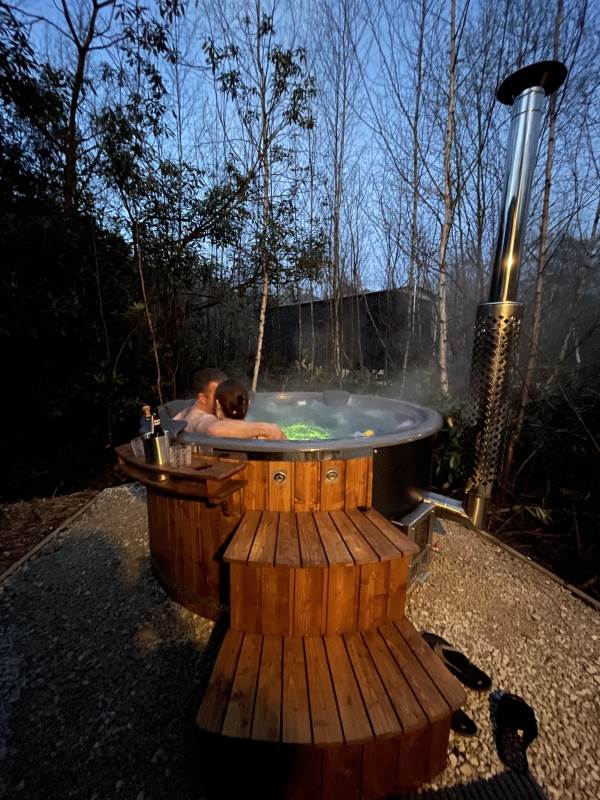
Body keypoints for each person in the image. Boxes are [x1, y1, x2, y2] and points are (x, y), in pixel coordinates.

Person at [174, 367, 286, 440]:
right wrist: (267, 428)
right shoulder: (197, 417)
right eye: (219, 394)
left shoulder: (188, 411)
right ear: (203, 398)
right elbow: (213, 429)